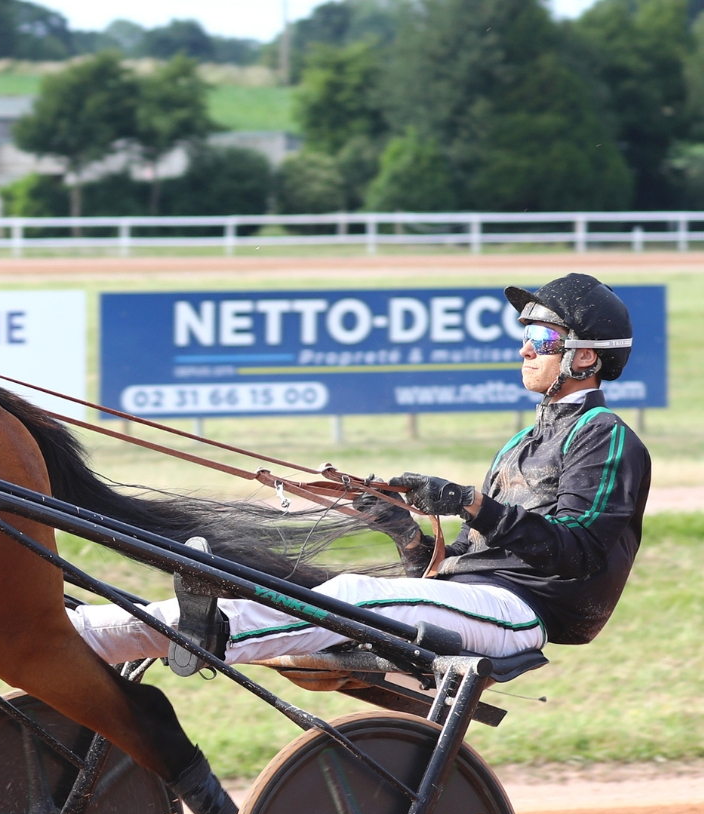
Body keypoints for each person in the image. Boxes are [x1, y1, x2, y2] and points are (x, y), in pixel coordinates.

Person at [71, 272, 652, 669]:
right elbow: (468, 558)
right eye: (524, 336)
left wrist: (469, 502)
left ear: (585, 357)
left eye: (542, 337)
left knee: (348, 595)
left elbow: (578, 554)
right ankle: (95, 629)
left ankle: (127, 637)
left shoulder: (607, 440)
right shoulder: (524, 441)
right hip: (471, 596)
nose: (526, 349)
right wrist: (403, 530)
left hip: (520, 612)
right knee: (307, 590)